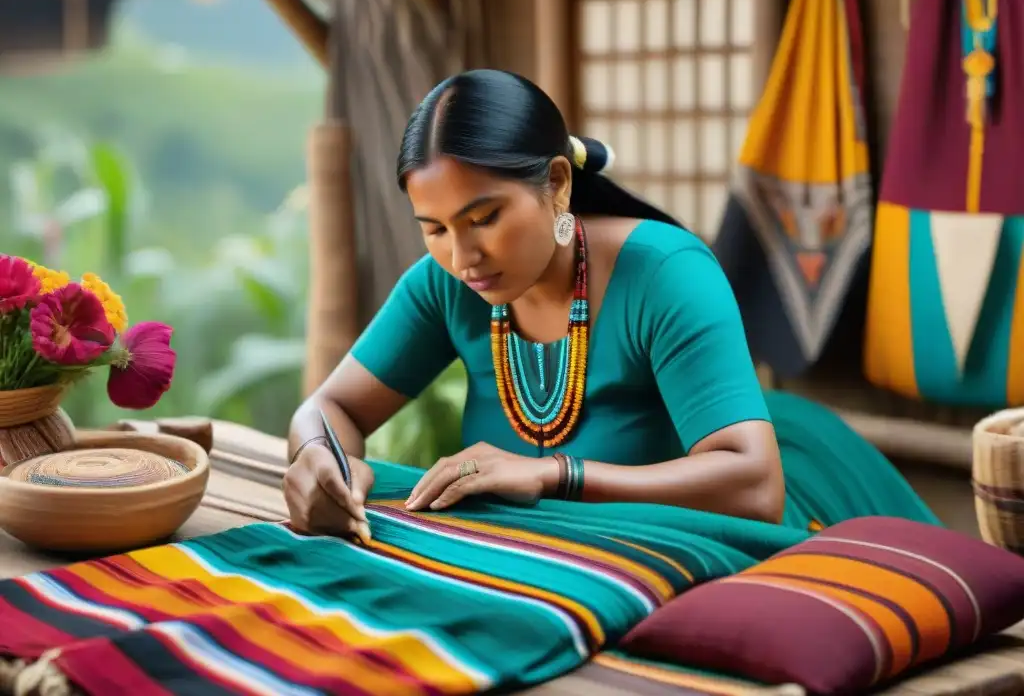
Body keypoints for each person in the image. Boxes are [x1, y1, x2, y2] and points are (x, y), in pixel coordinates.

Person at [284, 69, 937, 542]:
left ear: (558, 185)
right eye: (434, 227)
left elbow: (755, 488)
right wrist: (324, 459)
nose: (463, 255)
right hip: (559, 555)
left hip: (768, 507)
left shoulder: (667, 274)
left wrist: (551, 475)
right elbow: (330, 408)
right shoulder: (446, 284)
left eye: (484, 217)